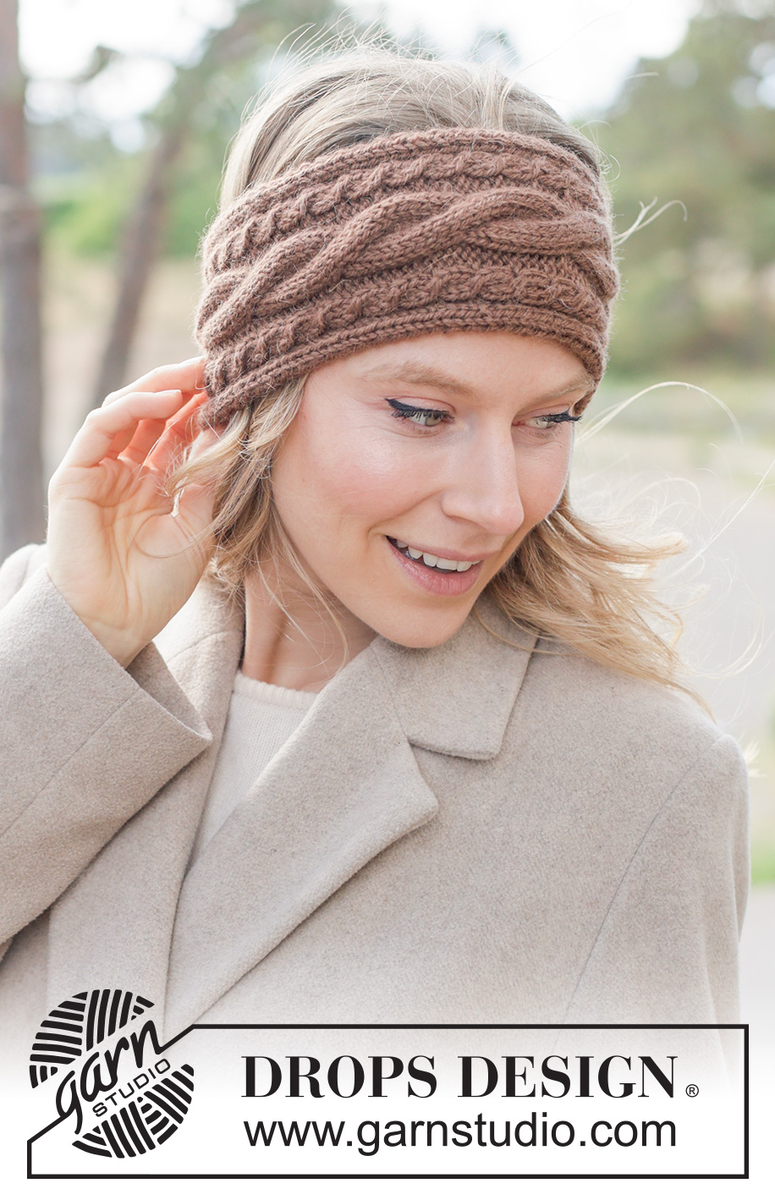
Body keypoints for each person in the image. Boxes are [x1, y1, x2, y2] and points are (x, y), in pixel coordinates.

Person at [0, 49, 748, 1048]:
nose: (496, 503)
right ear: (254, 384)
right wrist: (85, 642)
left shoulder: (644, 789)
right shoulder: (44, 643)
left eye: (549, 419)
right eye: (422, 412)